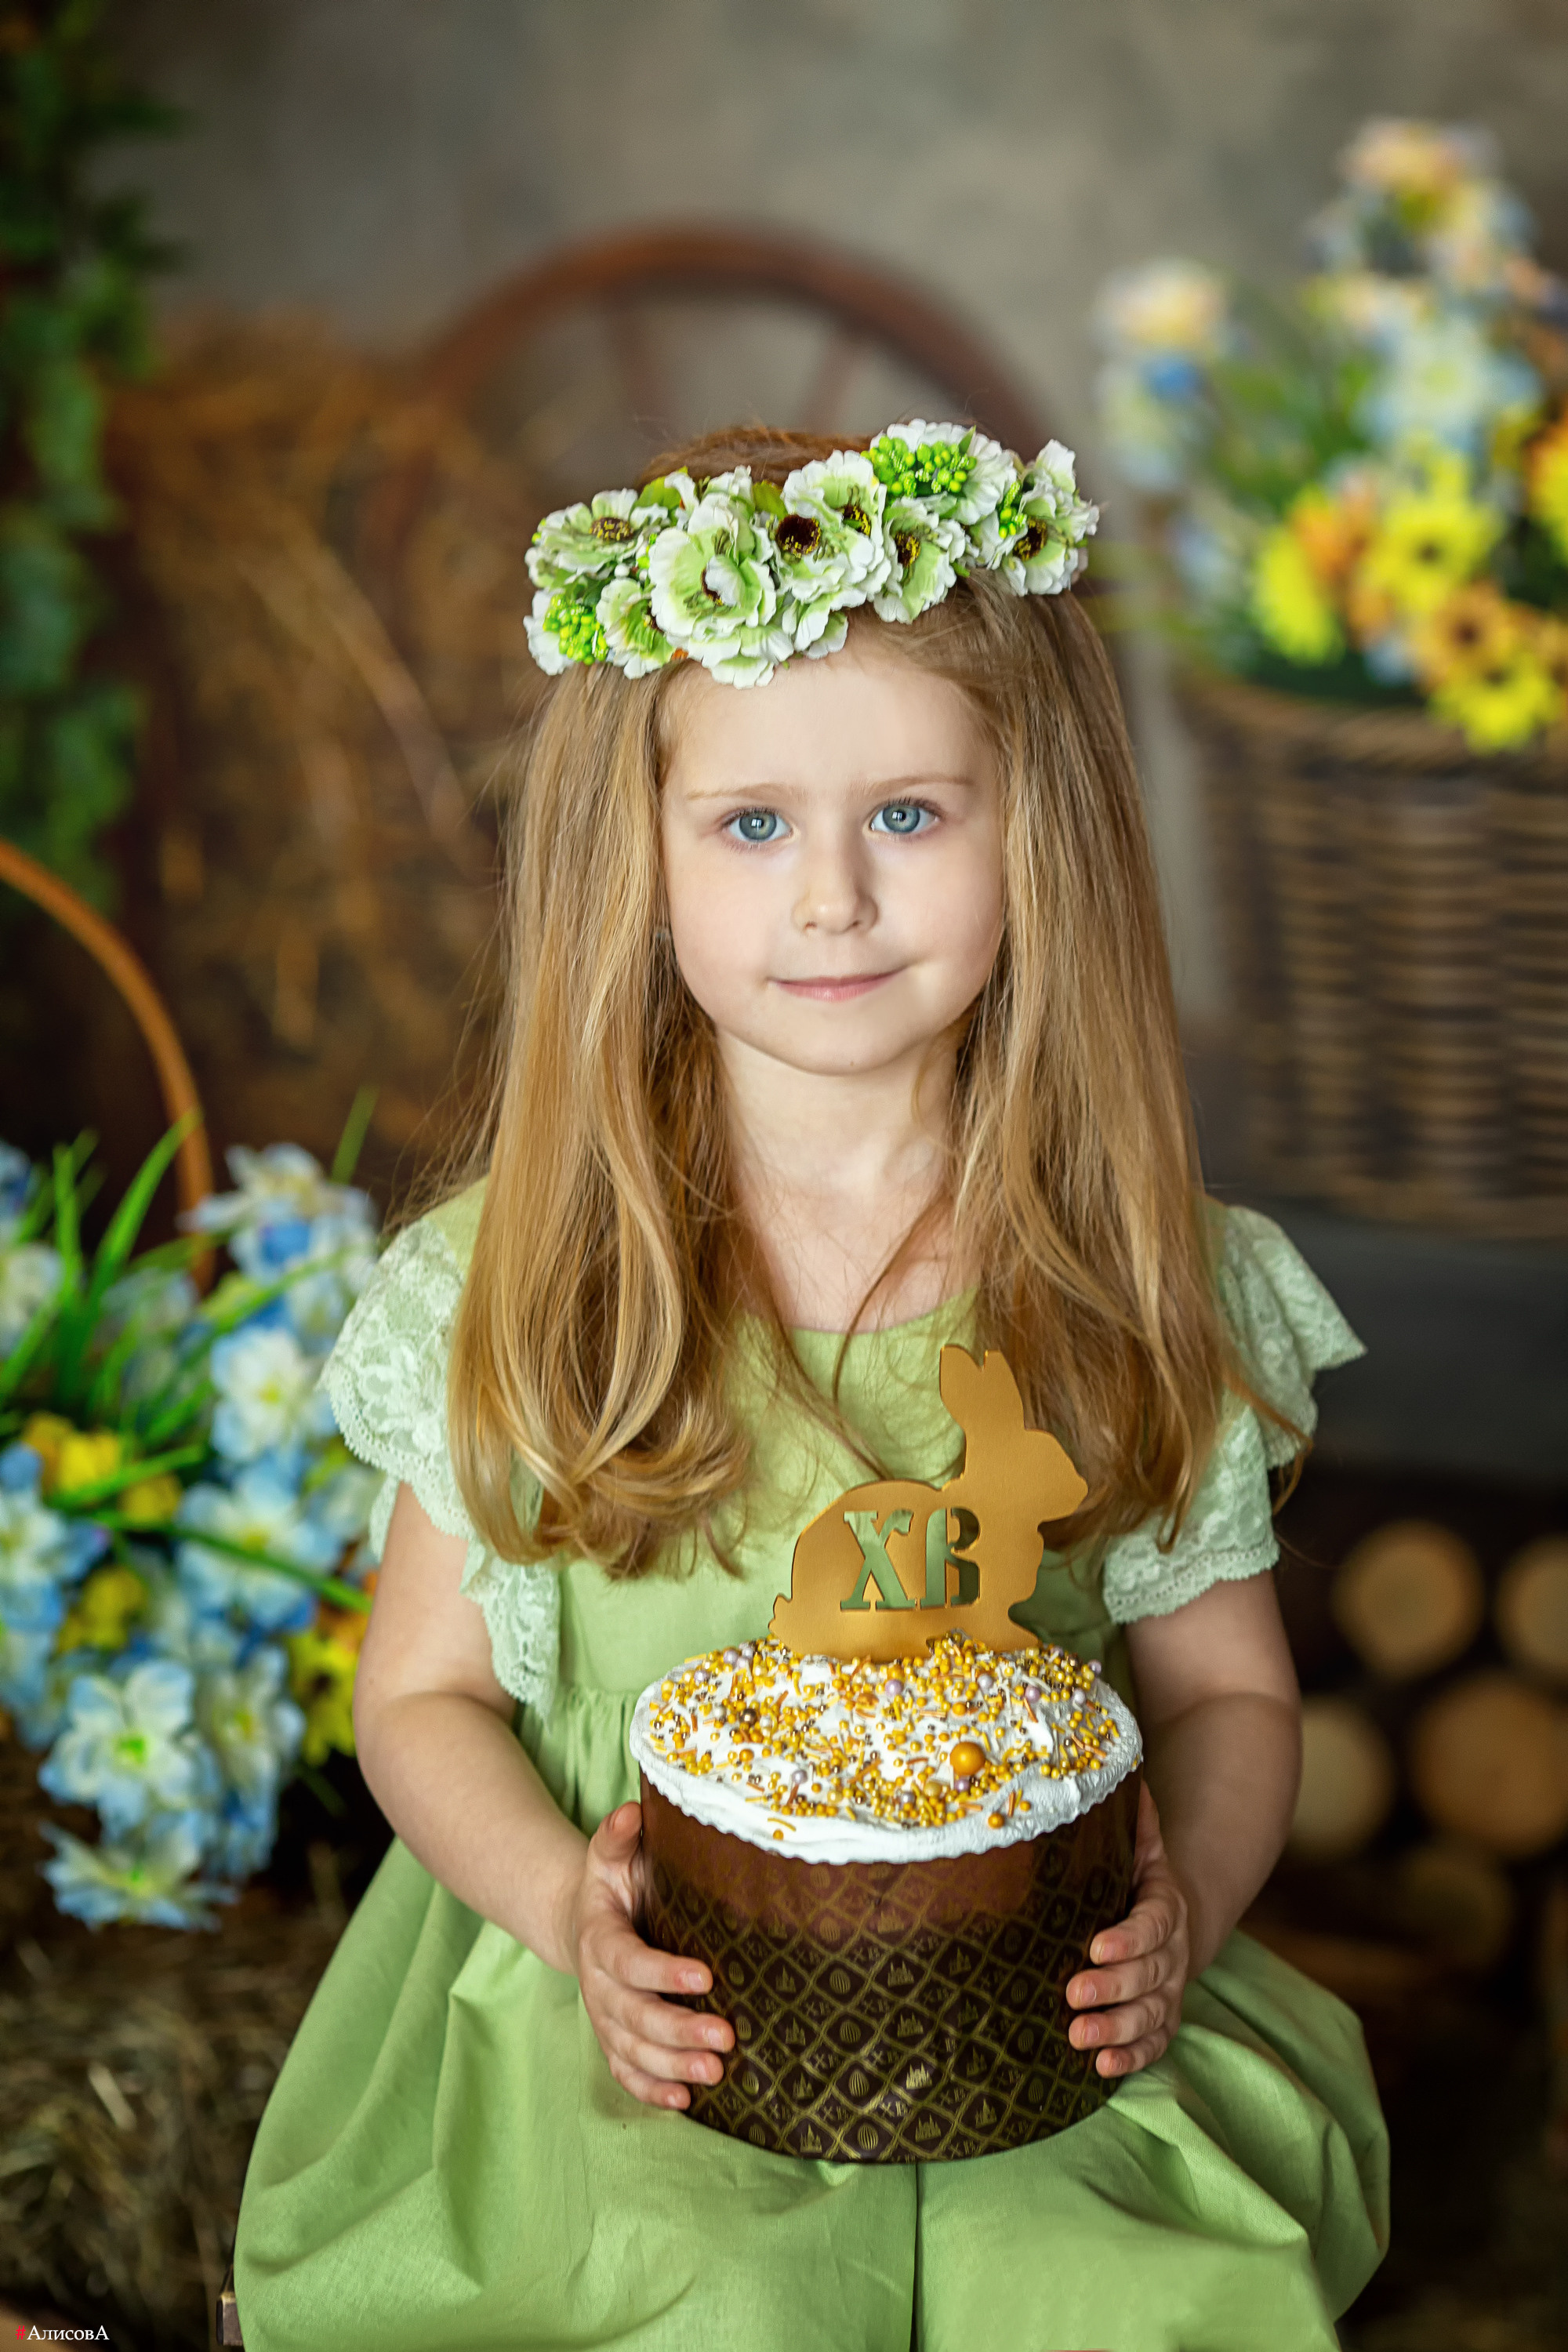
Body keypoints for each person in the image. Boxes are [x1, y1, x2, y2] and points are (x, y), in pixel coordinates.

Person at [233, 423, 1390, 2352]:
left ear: (1040, 829)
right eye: (754, 825)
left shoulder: (1138, 1278)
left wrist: (1182, 1896)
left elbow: (1229, 1691)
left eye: (913, 817)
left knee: (1116, 2293)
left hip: (1027, 1984)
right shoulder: (525, 1284)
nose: (834, 898)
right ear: (647, 854)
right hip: (648, 2009)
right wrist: (559, 1911)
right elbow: (418, 1695)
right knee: (724, 2300)